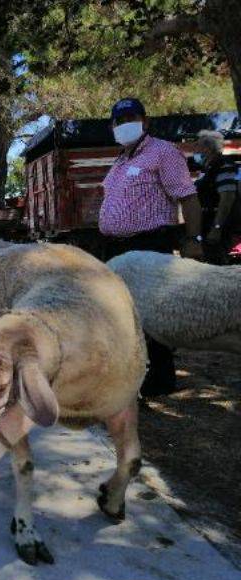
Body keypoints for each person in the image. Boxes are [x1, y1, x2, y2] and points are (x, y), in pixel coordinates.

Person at [99, 97, 203, 397]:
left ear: (145, 121)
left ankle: (160, 378)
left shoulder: (163, 152)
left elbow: (188, 196)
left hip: (149, 242)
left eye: (130, 118)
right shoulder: (121, 160)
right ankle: (133, 374)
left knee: (150, 312)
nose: (124, 125)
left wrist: (193, 240)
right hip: (117, 247)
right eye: (118, 121)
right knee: (123, 313)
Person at [194, 130, 239, 265]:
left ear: (208, 148)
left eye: (198, 145)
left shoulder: (223, 166)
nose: (195, 149)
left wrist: (217, 228)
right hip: (206, 222)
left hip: (218, 224)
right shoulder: (207, 168)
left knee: (217, 263)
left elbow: (227, 199)